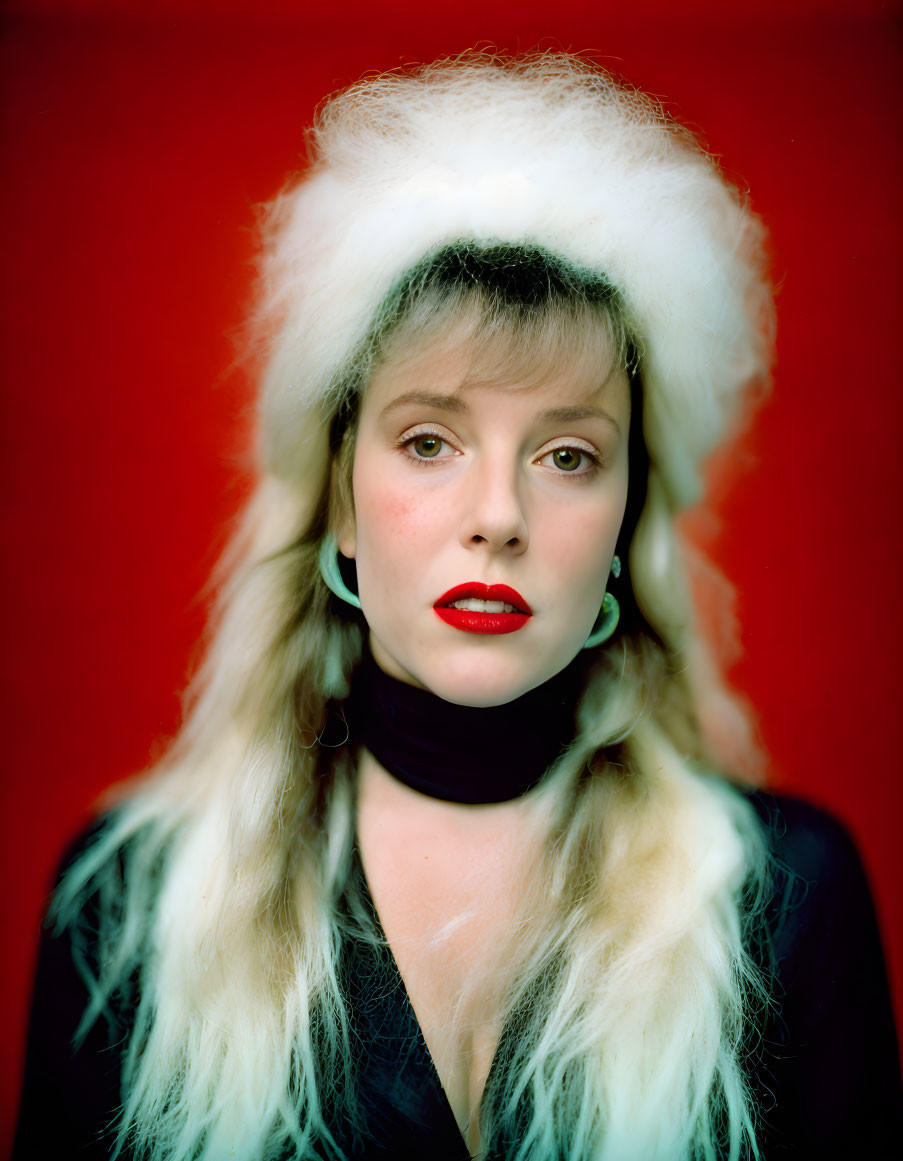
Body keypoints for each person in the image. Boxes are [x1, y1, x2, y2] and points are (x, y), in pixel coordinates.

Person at [14, 53, 900, 1161]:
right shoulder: (129, 911)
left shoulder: (785, 900)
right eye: (428, 441)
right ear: (340, 500)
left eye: (569, 454)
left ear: (629, 522)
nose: (498, 515)